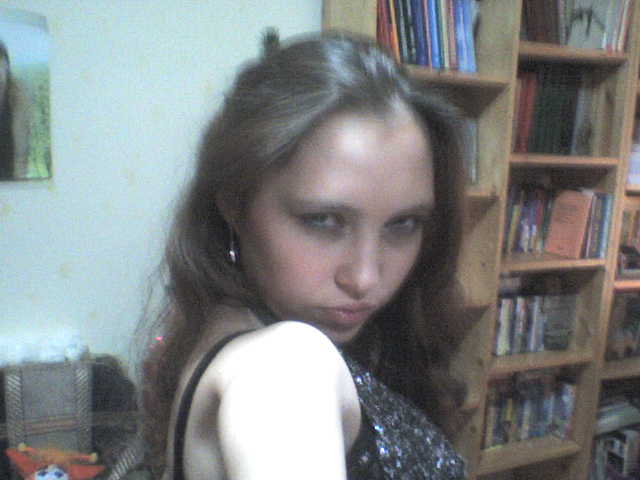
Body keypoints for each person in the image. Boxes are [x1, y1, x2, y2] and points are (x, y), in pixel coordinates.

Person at [140, 31, 470, 480]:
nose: (365, 278)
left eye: (403, 224)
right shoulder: (285, 366)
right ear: (234, 204)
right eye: (323, 221)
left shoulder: (220, 324)